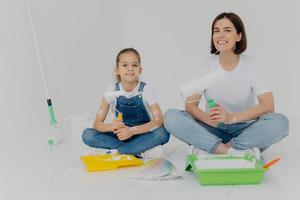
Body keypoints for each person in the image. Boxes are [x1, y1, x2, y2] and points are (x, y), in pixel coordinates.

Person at [164, 12, 289, 160]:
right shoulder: (206, 64)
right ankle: (230, 151)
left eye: (227, 30)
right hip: (212, 128)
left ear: (239, 36)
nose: (220, 35)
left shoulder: (253, 65)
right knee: (171, 116)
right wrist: (207, 119)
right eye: (216, 31)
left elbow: (268, 106)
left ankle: (220, 149)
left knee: (280, 122)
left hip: (245, 129)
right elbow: (191, 105)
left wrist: (231, 118)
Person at [82, 48, 169, 158]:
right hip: (120, 136)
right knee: (88, 134)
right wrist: (111, 126)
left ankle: (118, 152)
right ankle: (137, 150)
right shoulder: (111, 91)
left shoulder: (146, 89)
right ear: (117, 70)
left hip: (141, 134)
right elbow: (97, 125)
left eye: (134, 65)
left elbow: (159, 121)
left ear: (140, 70)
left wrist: (131, 131)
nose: (130, 69)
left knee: (163, 133)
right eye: (125, 65)